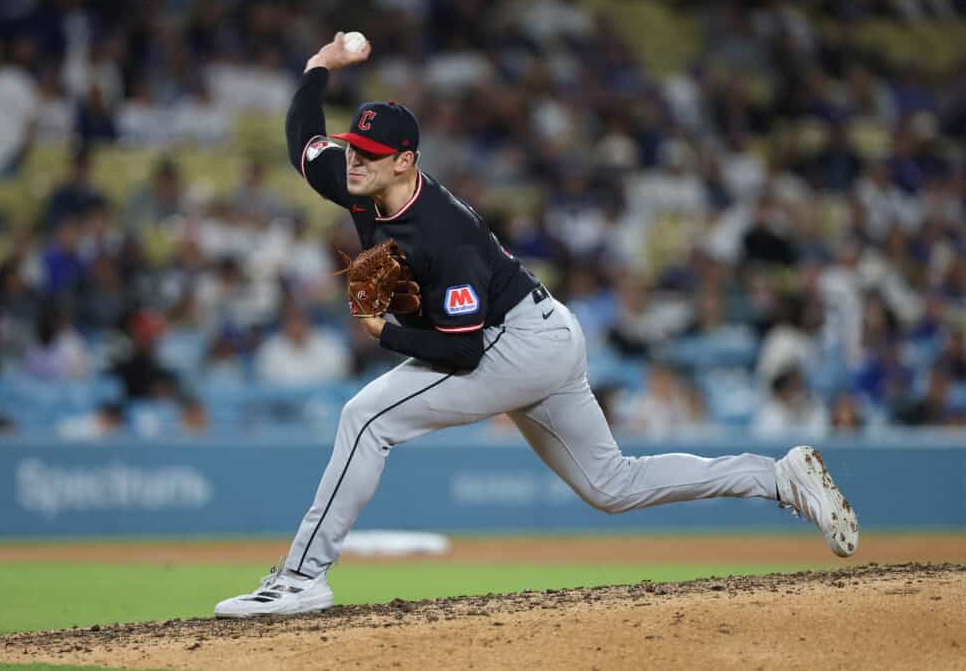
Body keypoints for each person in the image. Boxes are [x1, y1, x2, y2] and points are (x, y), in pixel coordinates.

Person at [213, 34, 860, 619]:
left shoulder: (444, 233)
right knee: (612, 485)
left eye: (372, 154)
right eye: (354, 147)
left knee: (366, 417)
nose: (354, 160)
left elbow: (462, 354)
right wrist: (319, 65)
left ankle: (300, 577)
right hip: (538, 332)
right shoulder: (356, 178)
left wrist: (384, 332)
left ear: (406, 161)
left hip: (516, 343)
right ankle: (779, 477)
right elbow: (302, 139)